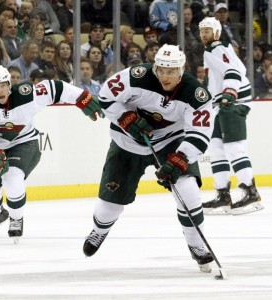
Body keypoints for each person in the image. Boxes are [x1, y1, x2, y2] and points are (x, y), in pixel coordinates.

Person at [82, 44, 216, 273]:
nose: (165, 75)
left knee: (189, 191)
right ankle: (99, 230)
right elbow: (105, 96)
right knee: (109, 206)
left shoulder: (196, 94)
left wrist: (180, 159)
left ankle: (196, 244)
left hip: (171, 142)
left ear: (181, 70)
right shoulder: (137, 76)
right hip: (127, 142)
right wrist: (126, 119)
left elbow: (200, 133)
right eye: (161, 69)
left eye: (171, 71)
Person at [0, 65, 104, 242]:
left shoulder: (27, 94)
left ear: (9, 84)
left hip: (24, 143)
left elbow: (57, 87)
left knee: (13, 179)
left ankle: (16, 218)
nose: (0, 90)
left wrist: (82, 98)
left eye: (3, 85)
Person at [198, 17, 263, 215]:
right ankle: (223, 195)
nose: (203, 34)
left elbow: (235, 71)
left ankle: (251, 192)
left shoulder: (218, 47)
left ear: (217, 33)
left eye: (207, 31)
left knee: (234, 147)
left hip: (232, 103)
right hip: (220, 105)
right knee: (216, 148)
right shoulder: (212, 50)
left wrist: (229, 93)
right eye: (202, 31)